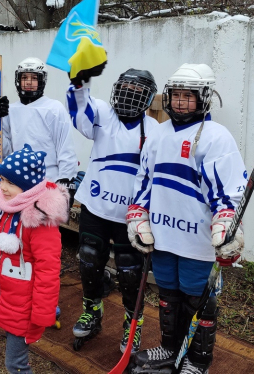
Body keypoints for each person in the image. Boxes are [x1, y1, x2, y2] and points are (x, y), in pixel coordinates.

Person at [129, 63, 246, 374]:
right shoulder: (158, 133)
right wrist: (138, 216)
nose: (180, 102)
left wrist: (226, 226)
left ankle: (198, 361)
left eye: (188, 96)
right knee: (167, 297)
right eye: (175, 95)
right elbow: (145, 179)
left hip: (197, 241)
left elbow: (228, 193)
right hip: (164, 236)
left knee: (199, 302)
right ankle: (171, 349)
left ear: (203, 98)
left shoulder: (216, 137)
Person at [66, 68, 159, 353]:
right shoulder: (104, 114)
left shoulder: (155, 130)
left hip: (130, 215)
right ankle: (92, 311)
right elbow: (79, 107)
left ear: (147, 98)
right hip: (96, 206)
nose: (129, 95)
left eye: (137, 91)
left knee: (131, 273)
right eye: (125, 88)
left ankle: (133, 324)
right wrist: (79, 80)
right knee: (90, 261)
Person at [0, 144, 67, 374]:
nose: (3, 188)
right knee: (14, 357)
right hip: (6, 297)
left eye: (11, 183)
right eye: (2, 179)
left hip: (25, 308)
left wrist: (42, 313)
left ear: (28, 187)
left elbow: (48, 270)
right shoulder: (1, 207)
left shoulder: (39, 221)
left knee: (15, 364)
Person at [0, 56, 78, 198]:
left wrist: (65, 180)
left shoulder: (54, 108)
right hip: (17, 183)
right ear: (18, 80)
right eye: (24, 77)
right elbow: (3, 152)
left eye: (34, 78)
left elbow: (65, 148)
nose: (28, 82)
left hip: (48, 182)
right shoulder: (10, 110)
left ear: (42, 81)